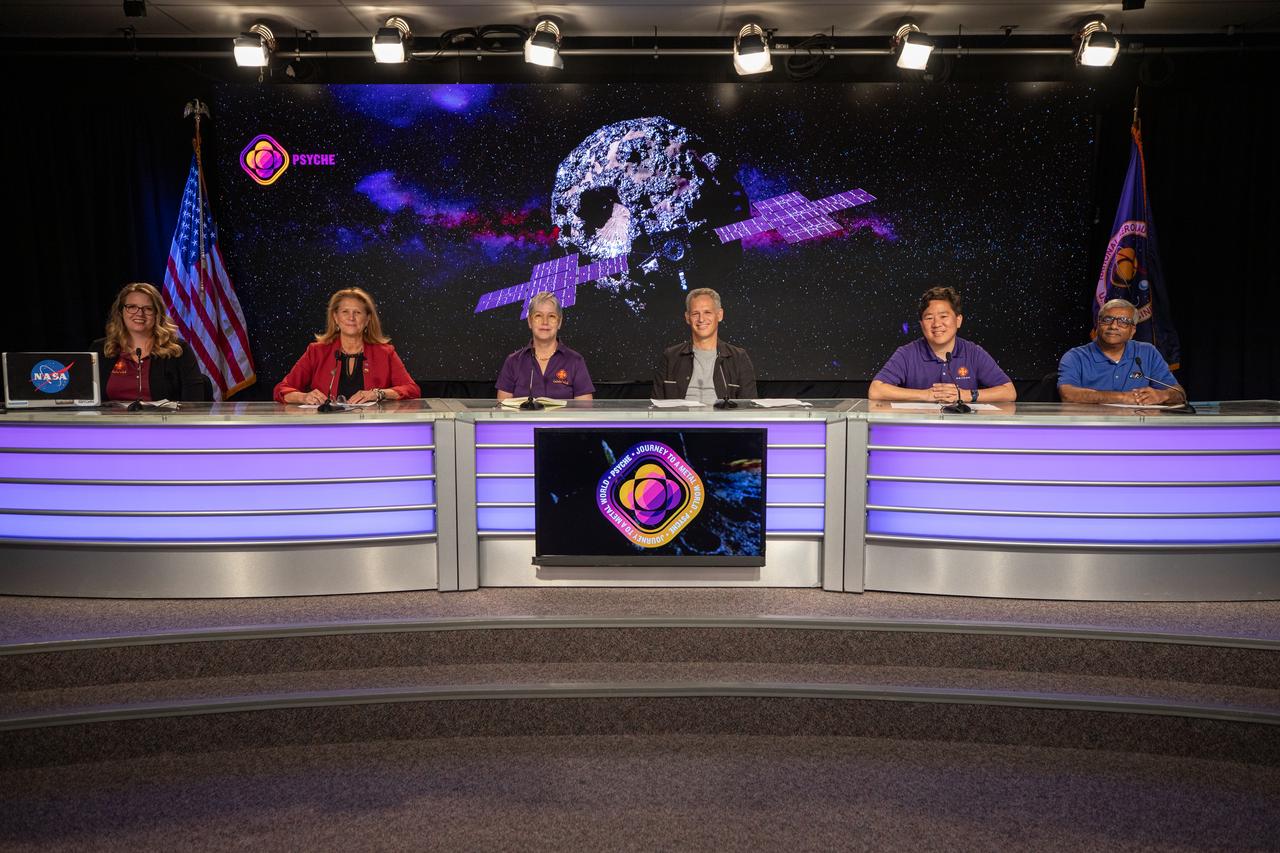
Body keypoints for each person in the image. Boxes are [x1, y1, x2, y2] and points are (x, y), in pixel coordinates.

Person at [869, 286, 1016, 404]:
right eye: (929, 318)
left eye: (944, 316)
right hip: (918, 432)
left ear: (958, 320)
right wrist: (926, 395)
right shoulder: (907, 353)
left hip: (965, 432)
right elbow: (876, 390)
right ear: (921, 324)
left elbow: (1009, 392)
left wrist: (966, 395)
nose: (937, 324)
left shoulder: (973, 352)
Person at [274, 287, 420, 404]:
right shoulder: (316, 351)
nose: (351, 318)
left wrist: (379, 393)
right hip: (326, 430)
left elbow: (412, 390)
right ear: (335, 318)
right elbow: (281, 389)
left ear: (368, 319)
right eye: (345, 312)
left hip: (372, 429)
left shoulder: (385, 353)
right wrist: (303, 397)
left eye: (357, 312)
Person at [1058, 298, 1186, 405]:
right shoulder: (1075, 357)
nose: (1113, 326)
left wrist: (1162, 395)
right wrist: (1123, 397)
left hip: (1138, 428)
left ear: (1132, 331)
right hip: (1091, 428)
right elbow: (1068, 394)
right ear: (1097, 326)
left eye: (1123, 322)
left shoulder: (1148, 352)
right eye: (1107, 320)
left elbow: (1179, 393)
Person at [96, 282, 206, 402]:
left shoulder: (178, 350)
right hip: (110, 420)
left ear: (157, 314)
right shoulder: (101, 349)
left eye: (148, 308)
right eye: (132, 307)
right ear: (120, 312)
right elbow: (84, 398)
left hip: (163, 420)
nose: (139, 313)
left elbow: (194, 403)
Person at [653, 287, 757, 402]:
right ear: (687, 318)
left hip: (722, 420)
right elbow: (655, 406)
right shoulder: (671, 357)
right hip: (681, 420)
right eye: (695, 314)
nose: (701, 319)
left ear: (720, 315)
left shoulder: (738, 358)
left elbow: (748, 408)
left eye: (707, 312)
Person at [496, 292, 594, 401]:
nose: (545, 322)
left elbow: (584, 412)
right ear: (529, 321)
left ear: (559, 322)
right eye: (538, 316)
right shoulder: (513, 362)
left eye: (551, 316)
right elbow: (503, 411)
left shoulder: (575, 361)